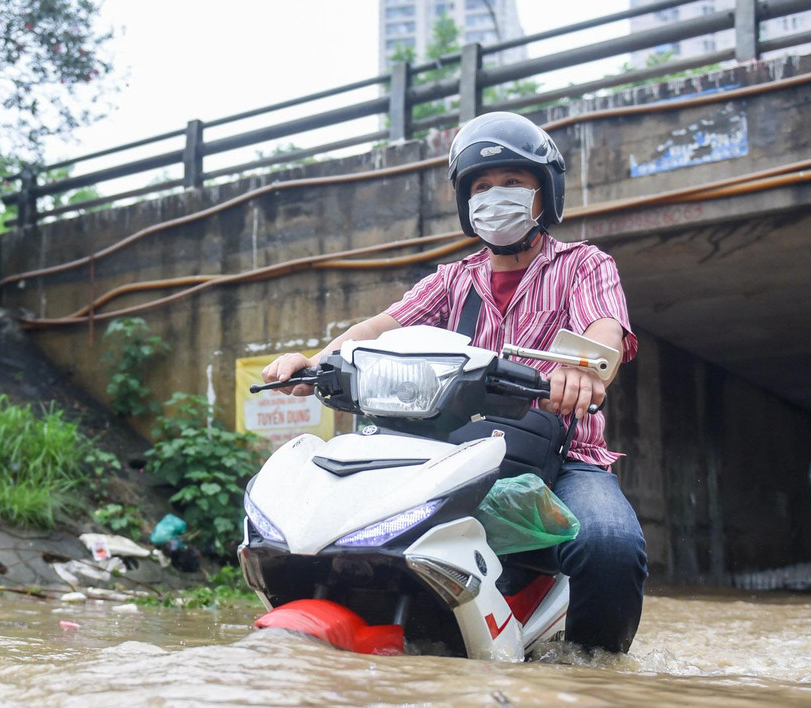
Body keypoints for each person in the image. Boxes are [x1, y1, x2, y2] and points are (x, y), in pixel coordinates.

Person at [263, 111, 648, 653]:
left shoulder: (584, 265)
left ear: (545, 194)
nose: (497, 196)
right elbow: (380, 327)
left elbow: (603, 329)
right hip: (453, 452)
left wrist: (580, 366)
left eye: (513, 183)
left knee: (610, 545)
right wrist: (314, 361)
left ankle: (595, 674)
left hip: (565, 455)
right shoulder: (454, 279)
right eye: (483, 187)